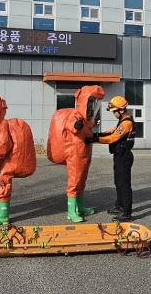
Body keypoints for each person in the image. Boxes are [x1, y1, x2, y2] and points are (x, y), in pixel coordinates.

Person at [46, 85, 105, 222]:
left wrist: (92, 124)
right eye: (91, 102)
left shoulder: (87, 119)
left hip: (84, 153)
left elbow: (86, 128)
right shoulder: (75, 115)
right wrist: (77, 125)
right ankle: (71, 211)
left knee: (81, 180)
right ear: (84, 101)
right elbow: (72, 126)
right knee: (75, 180)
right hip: (75, 153)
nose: (93, 106)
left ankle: (80, 206)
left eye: (95, 102)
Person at [0, 94, 36, 225]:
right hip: (0, 162)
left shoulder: (0, 126)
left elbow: (2, 144)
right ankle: (1, 214)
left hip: (0, 163)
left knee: (1, 185)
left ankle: (2, 216)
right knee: (0, 184)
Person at [88, 96, 136, 222]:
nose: (114, 114)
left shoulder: (126, 123)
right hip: (119, 155)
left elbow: (113, 138)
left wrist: (96, 139)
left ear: (121, 110)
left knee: (124, 185)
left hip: (124, 156)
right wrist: (97, 134)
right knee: (118, 182)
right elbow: (111, 131)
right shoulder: (122, 121)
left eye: (115, 111)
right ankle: (119, 205)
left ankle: (127, 212)